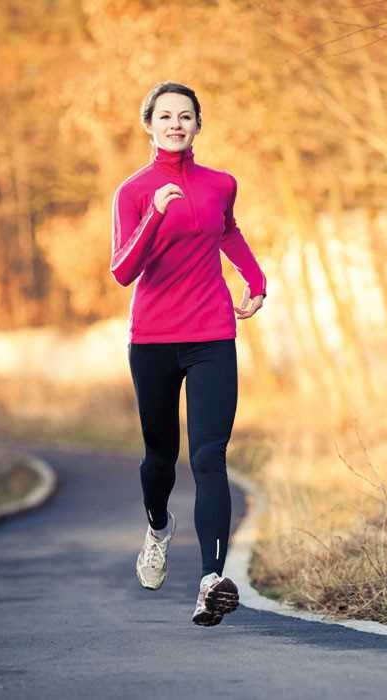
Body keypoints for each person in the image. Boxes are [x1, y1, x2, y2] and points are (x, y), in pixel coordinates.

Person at [109, 80, 266, 627]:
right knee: (159, 459)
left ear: (199, 125)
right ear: (149, 125)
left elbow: (229, 231)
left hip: (212, 335)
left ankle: (210, 581)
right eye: (166, 116)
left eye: (186, 116)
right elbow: (123, 270)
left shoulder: (221, 184)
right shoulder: (132, 192)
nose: (176, 124)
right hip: (152, 340)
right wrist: (154, 214)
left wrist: (255, 276)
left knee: (208, 457)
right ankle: (157, 528)